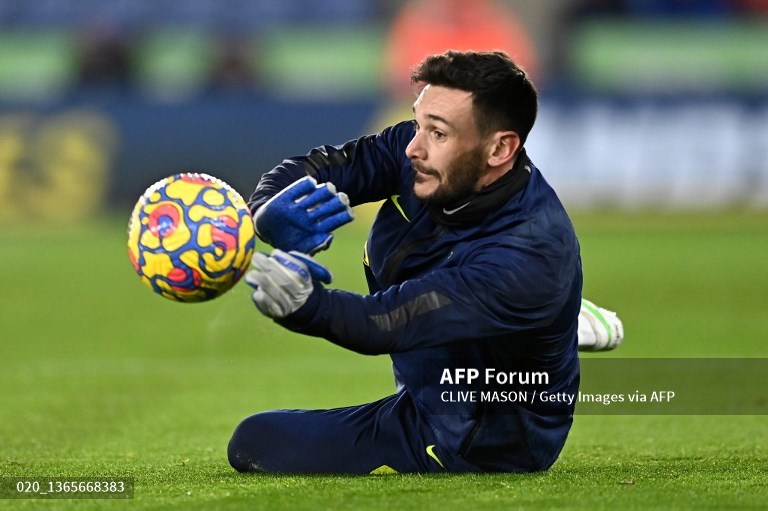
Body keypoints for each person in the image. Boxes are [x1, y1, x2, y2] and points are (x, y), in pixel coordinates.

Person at [228, 50, 622, 474]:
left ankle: (550, 322)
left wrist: (307, 306)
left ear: (500, 149)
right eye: (419, 122)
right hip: (447, 346)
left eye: (438, 133)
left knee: (254, 443)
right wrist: (265, 210)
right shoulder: (423, 155)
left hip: (473, 432)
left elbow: (386, 322)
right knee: (448, 287)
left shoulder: (530, 256)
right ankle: (556, 324)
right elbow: (323, 167)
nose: (413, 147)